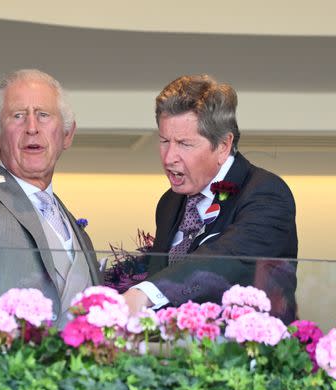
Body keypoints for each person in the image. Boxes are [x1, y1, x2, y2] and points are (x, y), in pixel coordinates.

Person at [123, 74, 298, 324]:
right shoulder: (169, 203)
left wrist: (144, 294)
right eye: (164, 141)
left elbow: (228, 257)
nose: (169, 157)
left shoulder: (267, 193)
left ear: (224, 145)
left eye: (184, 143)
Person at [0, 69, 102, 323]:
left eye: (43, 115)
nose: (31, 127)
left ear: (67, 134)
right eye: (18, 116)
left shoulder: (76, 230)